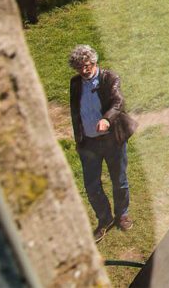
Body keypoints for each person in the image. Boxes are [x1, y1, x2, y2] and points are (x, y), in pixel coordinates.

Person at [68, 45, 137, 242]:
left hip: (112, 139)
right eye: (79, 67)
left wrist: (107, 119)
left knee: (119, 180)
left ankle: (122, 214)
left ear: (94, 62)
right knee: (91, 185)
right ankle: (104, 219)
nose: (84, 70)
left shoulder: (109, 78)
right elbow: (75, 112)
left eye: (87, 65)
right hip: (88, 142)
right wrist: (79, 139)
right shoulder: (75, 83)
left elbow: (118, 102)